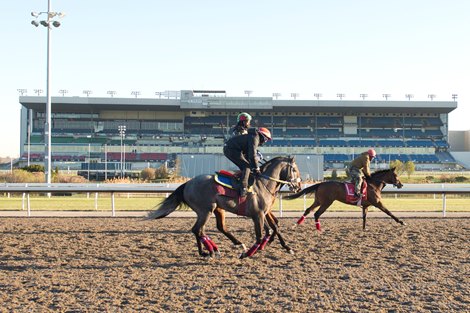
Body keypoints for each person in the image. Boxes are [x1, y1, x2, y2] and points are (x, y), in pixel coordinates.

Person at [223, 127, 272, 197]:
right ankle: (243, 188)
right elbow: (252, 155)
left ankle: (241, 180)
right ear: (262, 136)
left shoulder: (253, 137)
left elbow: (250, 154)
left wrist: (255, 163)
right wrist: (256, 168)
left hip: (234, 149)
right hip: (231, 149)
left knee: (248, 166)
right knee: (247, 166)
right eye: (266, 139)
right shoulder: (255, 138)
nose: (265, 141)